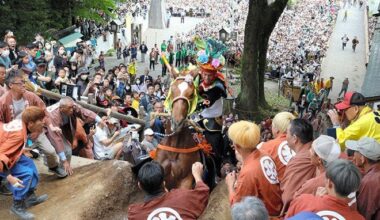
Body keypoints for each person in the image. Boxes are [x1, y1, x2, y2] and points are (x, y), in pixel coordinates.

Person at [0, 70, 67, 177]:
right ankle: (6, 179)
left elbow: (43, 110)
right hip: (14, 134)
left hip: (34, 129)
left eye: (24, 82)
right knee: (10, 157)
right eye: (20, 83)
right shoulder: (3, 101)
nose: (24, 85)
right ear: (11, 85)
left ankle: (53, 166)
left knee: (50, 151)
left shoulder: (31, 96)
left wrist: (51, 126)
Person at [0, 106, 48, 219]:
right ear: (30, 123)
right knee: (26, 174)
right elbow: (1, 155)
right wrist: (9, 177)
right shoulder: (19, 135)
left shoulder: (21, 124)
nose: (43, 122)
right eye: (40, 120)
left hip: (5, 152)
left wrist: (19, 150)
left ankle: (30, 197)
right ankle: (17, 206)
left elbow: (6, 140)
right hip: (1, 158)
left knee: (29, 164)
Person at [226, 121, 282, 216]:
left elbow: (237, 207)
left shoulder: (248, 172)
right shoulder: (265, 155)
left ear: (237, 146)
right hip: (277, 207)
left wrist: (230, 185)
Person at [286, 159, 364, 220]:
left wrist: (315, 201)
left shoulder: (303, 201)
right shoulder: (358, 218)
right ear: (355, 189)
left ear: (329, 182)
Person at [128, 161, 209, 219]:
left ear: (140, 186)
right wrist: (197, 176)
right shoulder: (183, 197)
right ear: (163, 183)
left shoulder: (135, 214)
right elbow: (203, 192)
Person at [47, 97, 103, 175]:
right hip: (46, 128)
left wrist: (100, 120)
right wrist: (64, 160)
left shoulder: (72, 106)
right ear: (61, 109)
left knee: (68, 150)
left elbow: (84, 111)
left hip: (63, 129)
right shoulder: (53, 116)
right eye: (69, 108)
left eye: (72, 107)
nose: (72, 110)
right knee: (49, 150)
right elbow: (56, 139)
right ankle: (53, 166)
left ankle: (64, 170)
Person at [281, 119, 316, 213]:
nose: (285, 136)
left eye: (287, 133)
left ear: (295, 138)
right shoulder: (315, 150)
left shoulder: (299, 160)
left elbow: (287, 197)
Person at [346, 137, 380, 219]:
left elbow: (364, 214)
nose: (353, 155)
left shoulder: (370, 181)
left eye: (356, 152)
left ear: (362, 158)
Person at [258, 112, 296, 183]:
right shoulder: (301, 144)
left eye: (272, 126)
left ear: (277, 129)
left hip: (276, 190)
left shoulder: (264, 147)